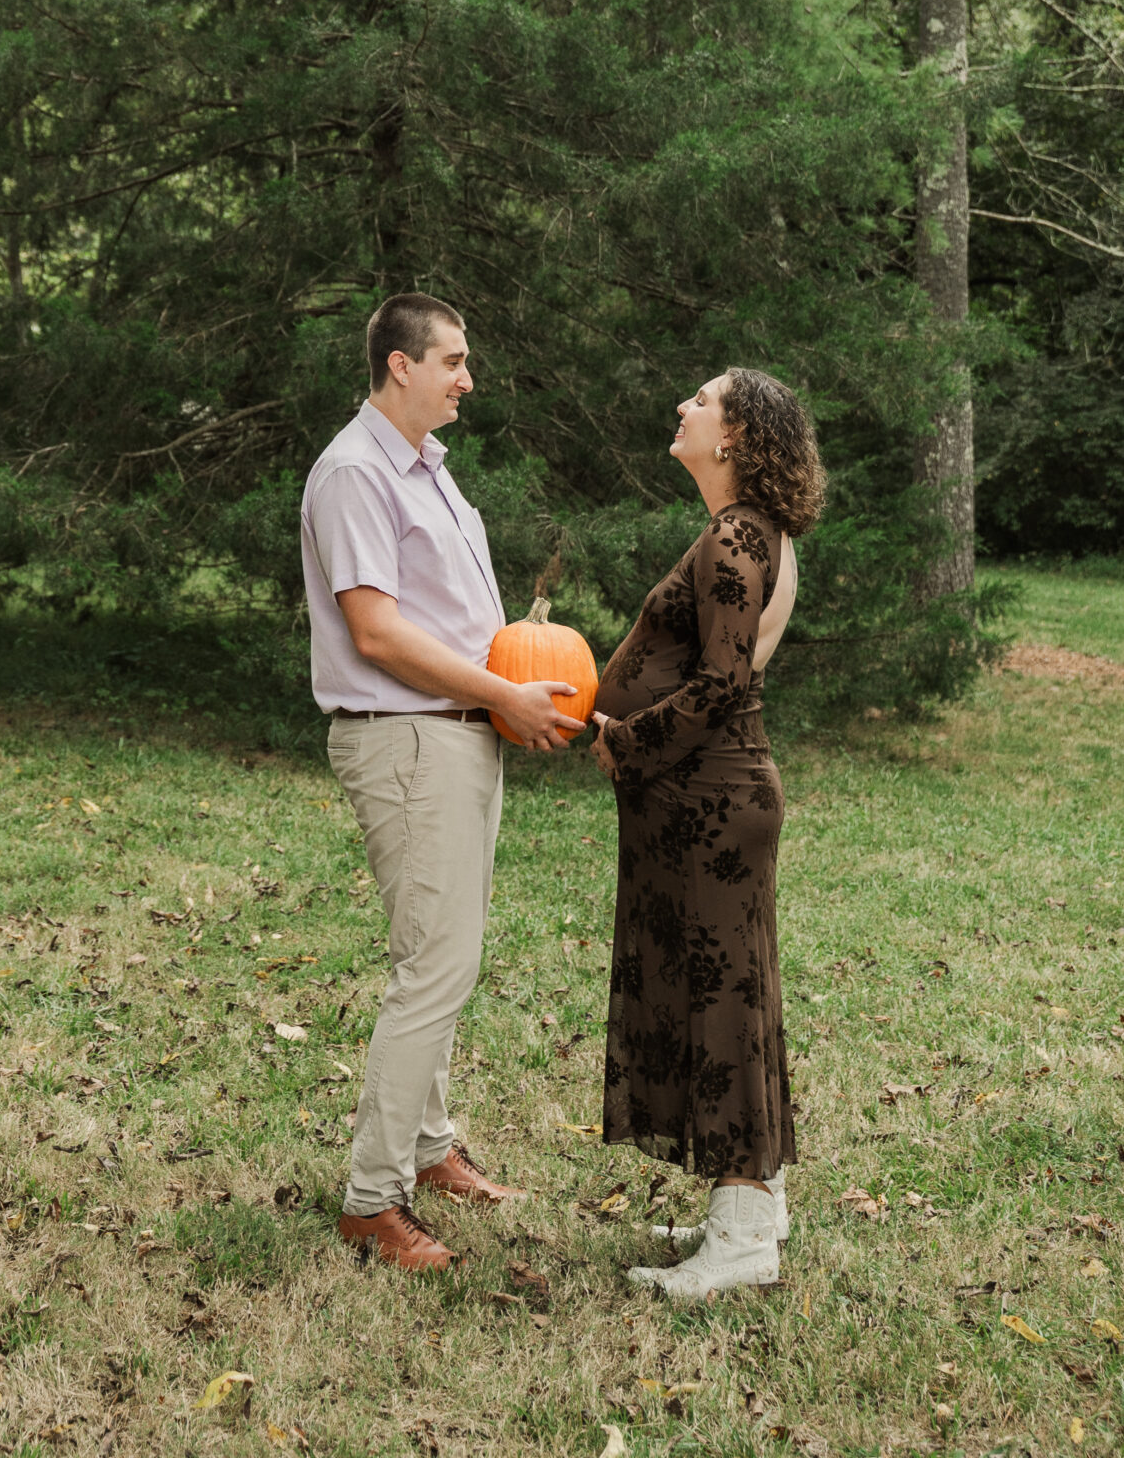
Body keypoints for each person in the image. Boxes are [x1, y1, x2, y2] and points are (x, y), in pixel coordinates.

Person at [302, 292, 588, 1274]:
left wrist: (505, 698)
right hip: (406, 740)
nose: (468, 378)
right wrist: (503, 693)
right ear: (398, 365)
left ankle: (427, 1153)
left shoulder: (430, 473)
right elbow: (376, 632)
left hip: (458, 735)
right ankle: (369, 1200)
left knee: (438, 957)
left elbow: (456, 619)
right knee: (434, 967)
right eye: (453, 360)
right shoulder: (351, 473)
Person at [589, 366, 825, 1298]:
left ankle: (739, 1242)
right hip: (703, 799)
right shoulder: (740, 529)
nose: (681, 404)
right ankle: (751, 1206)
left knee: (719, 1004)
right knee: (733, 991)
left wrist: (626, 740)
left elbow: (725, 683)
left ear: (731, 435)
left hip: (709, 801)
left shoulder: (735, 533)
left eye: (700, 397)